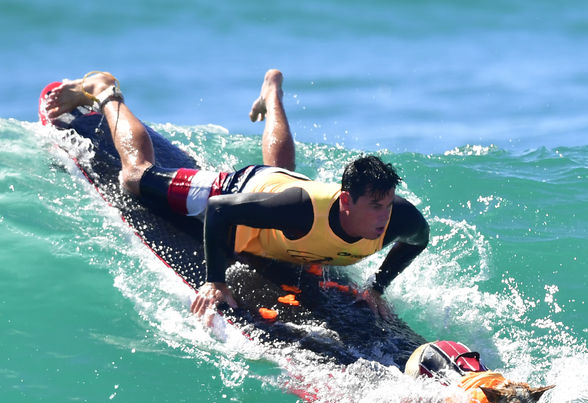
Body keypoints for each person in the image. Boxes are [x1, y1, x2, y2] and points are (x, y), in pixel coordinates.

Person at [44, 70, 429, 320]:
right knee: (135, 177)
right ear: (346, 201)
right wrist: (216, 281)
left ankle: (271, 95)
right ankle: (105, 90)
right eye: (375, 206)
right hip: (239, 190)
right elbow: (218, 210)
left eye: (387, 203)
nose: (384, 216)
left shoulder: (399, 219)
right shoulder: (300, 211)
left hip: (284, 185)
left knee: (284, 171)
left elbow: (418, 239)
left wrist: (376, 287)